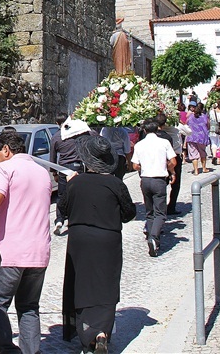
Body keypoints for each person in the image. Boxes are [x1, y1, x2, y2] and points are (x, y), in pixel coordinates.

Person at [0, 131, 53, 354]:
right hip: (39, 251)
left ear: (6, 150)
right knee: (29, 307)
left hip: (11, 252)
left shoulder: (4, 169)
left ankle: (8, 351)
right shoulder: (42, 171)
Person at [59, 136, 135, 354]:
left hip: (80, 238)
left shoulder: (75, 183)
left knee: (82, 283)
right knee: (106, 284)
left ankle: (88, 333)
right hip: (107, 239)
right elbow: (129, 214)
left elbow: (62, 208)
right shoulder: (116, 184)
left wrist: (74, 183)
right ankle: (102, 332)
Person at [132, 120, 176, 257]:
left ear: (144, 130)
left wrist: (144, 168)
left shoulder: (140, 144)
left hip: (145, 180)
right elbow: (173, 161)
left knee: (149, 211)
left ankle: (151, 237)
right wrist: (171, 171)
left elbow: (134, 166)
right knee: (160, 212)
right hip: (159, 179)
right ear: (157, 129)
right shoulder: (164, 143)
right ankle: (154, 237)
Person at [50, 117, 92, 235]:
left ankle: (60, 219)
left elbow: (53, 157)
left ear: (58, 123)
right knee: (80, 194)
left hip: (64, 168)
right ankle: (76, 219)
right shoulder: (82, 133)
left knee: (62, 195)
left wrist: (54, 172)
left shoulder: (57, 136)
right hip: (79, 167)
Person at [156, 114, 183, 215]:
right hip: (174, 157)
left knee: (162, 182)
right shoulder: (176, 127)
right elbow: (189, 131)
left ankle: (160, 207)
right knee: (175, 185)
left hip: (160, 157)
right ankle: (171, 206)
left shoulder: (155, 131)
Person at [186, 102, 211, 175]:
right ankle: (204, 168)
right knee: (202, 152)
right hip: (202, 137)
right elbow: (208, 125)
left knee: (194, 154)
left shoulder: (190, 116)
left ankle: (196, 170)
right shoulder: (204, 116)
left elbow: (186, 124)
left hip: (191, 137)